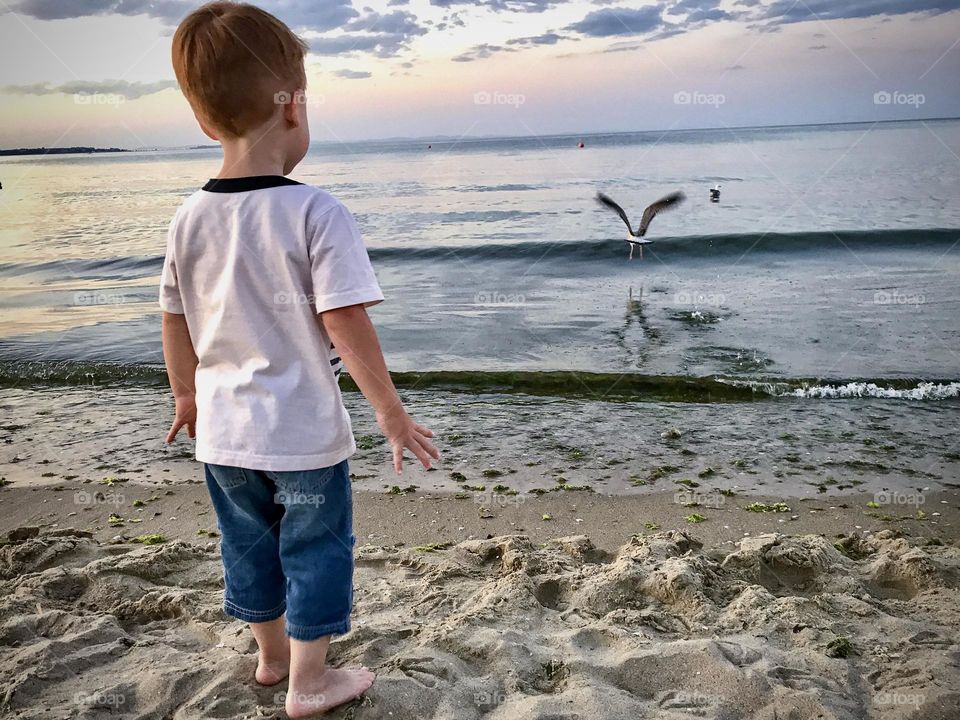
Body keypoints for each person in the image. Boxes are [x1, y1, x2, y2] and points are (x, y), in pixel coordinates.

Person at [160, 3, 440, 716]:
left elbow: (176, 316)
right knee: (315, 547)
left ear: (203, 120)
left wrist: (185, 398)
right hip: (303, 436)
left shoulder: (187, 218)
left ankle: (271, 659)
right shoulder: (316, 212)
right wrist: (391, 412)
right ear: (293, 112)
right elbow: (343, 319)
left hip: (224, 438)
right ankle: (309, 683)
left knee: (250, 547)